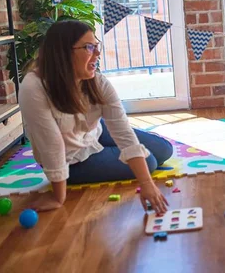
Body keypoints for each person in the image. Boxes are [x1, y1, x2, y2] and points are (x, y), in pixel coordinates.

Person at [19, 20, 173, 213]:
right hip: (71, 159)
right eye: (89, 47)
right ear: (63, 53)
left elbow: (122, 131)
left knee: (164, 150)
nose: (98, 54)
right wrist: (59, 197)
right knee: (149, 163)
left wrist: (147, 183)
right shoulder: (34, 87)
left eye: (96, 46)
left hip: (93, 132)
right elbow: (52, 144)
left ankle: (115, 151)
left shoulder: (97, 82)